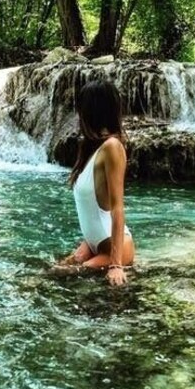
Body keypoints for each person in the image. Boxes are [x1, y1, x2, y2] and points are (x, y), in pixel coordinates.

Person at [56, 80, 136, 286]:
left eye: (81, 110)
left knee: (56, 282)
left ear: (92, 112)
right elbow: (93, 211)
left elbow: (117, 207)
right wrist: (88, 246)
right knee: (53, 272)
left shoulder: (112, 147)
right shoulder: (93, 149)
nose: (78, 117)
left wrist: (116, 265)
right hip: (96, 246)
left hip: (116, 250)